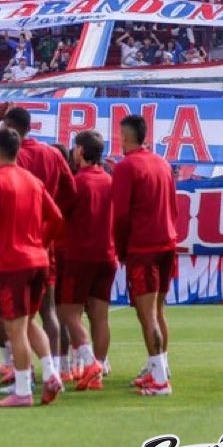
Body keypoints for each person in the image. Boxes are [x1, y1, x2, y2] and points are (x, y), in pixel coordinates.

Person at [0, 128, 64, 407]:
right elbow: (57, 217)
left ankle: (23, 391)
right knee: (29, 321)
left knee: (16, 328)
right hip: (38, 261)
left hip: (13, 263)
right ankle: (51, 373)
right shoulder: (32, 180)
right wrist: (41, 242)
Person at [112, 115, 178, 396]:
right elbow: (174, 204)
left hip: (143, 247)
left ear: (125, 137)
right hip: (166, 243)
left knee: (146, 313)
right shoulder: (162, 163)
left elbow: (120, 214)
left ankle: (160, 380)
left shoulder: (126, 167)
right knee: (157, 311)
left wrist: (120, 248)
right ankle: (158, 367)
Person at [57, 130, 117, 392]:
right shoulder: (110, 181)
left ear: (80, 151)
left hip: (80, 255)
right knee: (100, 316)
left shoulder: (78, 182)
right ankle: (98, 370)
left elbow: (59, 214)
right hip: (107, 255)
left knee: (67, 313)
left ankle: (90, 362)